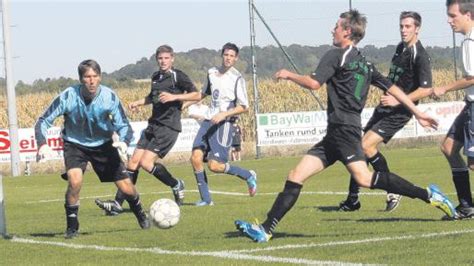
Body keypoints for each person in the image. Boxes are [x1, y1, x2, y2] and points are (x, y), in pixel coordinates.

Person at [235, 10, 457, 243]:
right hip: (336, 133)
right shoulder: (365, 63)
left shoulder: (336, 55)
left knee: (364, 178)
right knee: (296, 175)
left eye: (337, 26)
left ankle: (429, 195)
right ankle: (266, 229)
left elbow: (313, 83)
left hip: (344, 132)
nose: (333, 30)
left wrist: (288, 74)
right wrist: (418, 112)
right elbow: (393, 89)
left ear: (347, 31)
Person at [35, 59, 150, 239]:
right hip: (74, 144)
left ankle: (141, 214)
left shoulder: (109, 96)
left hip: (104, 145)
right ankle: (72, 227)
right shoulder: (68, 96)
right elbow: (43, 120)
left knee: (127, 188)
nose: (91, 81)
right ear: (81, 79)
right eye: (87, 77)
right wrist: (42, 143)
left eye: (95, 76)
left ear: (100, 78)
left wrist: (124, 142)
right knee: (75, 181)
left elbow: (124, 125)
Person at [339, 11, 433, 213]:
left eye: (408, 26)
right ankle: (353, 200)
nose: (403, 30)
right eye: (401, 26)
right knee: (361, 148)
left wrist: (397, 100)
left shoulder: (420, 55)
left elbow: (426, 89)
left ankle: (392, 190)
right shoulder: (400, 48)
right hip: (385, 107)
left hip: (399, 112)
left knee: (364, 146)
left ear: (417, 28)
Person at [95, 45, 200, 215]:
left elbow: (196, 94)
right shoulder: (155, 77)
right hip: (153, 125)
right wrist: (138, 102)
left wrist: (175, 97)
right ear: (156, 59)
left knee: (146, 163)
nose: (163, 61)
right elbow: (152, 98)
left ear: (172, 59)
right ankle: (117, 203)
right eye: (160, 58)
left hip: (168, 126)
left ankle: (175, 184)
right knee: (132, 162)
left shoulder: (177, 76)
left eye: (166, 58)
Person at [189, 42, 257, 206]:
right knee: (195, 158)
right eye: (226, 55)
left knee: (215, 166)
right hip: (208, 120)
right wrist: (183, 103)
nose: (228, 58)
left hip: (225, 123)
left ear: (236, 58)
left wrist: (224, 114)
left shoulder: (237, 78)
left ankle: (248, 175)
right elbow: (203, 93)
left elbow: (244, 107)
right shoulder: (211, 73)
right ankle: (206, 199)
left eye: (232, 56)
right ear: (222, 55)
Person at [431, 0, 474, 219]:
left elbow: (472, 78)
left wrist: (444, 87)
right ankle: (466, 206)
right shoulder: (468, 40)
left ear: (467, 15)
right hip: (470, 105)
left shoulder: (471, 41)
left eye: (453, 16)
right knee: (448, 148)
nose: (449, 21)